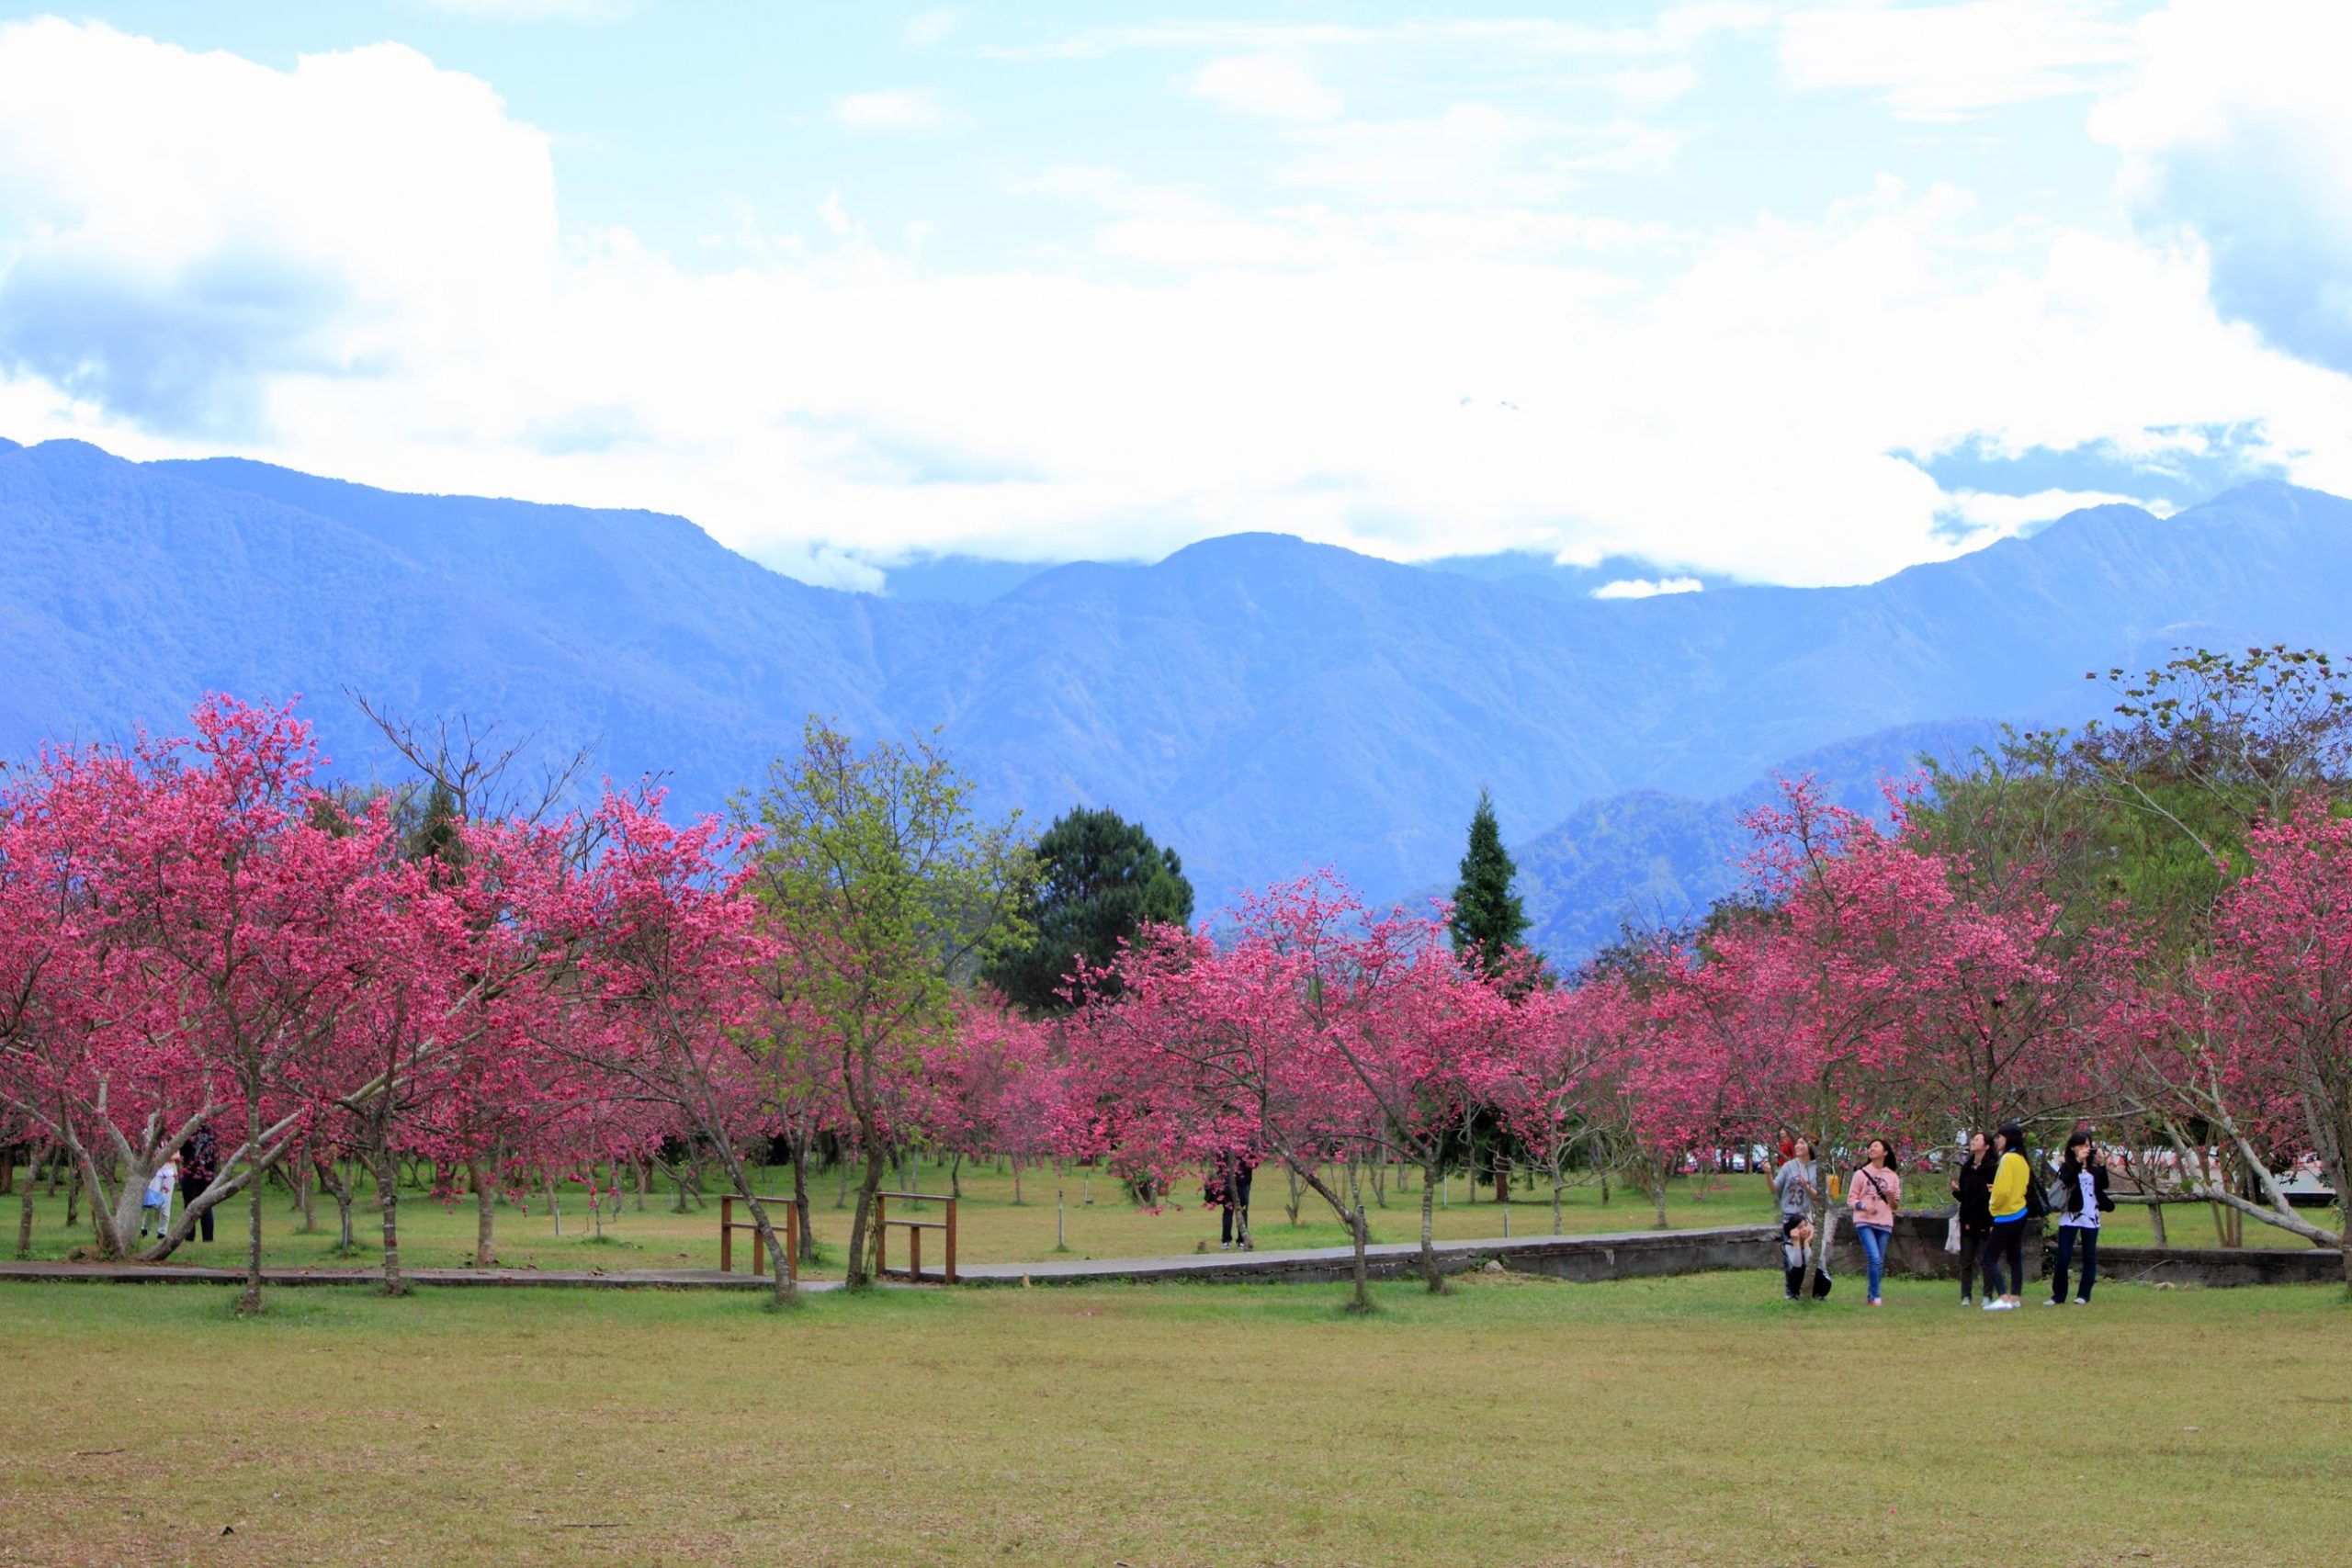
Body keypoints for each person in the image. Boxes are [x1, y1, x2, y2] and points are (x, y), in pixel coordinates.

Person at [2049, 1133, 2110, 1305]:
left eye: (2087, 1145)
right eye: (2081, 1145)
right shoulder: (2067, 1166)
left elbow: (2104, 1185)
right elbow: (2066, 1181)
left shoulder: (2094, 1168)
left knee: (2089, 1256)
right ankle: (2058, 1295)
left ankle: (2084, 1294)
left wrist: (2102, 1165)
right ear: (2072, 1147)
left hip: (2091, 1215)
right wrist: (2077, 1162)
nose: (2085, 1148)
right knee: (2063, 1256)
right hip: (2071, 1214)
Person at [1983, 1121, 2032, 1310]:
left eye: (2000, 1137)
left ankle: (2003, 1296)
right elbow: (2019, 1186)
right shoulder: (2022, 1159)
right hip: (2020, 1211)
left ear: (2008, 1138)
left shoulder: (2008, 1158)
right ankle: (2015, 1297)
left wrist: (1993, 1204)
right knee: (2014, 1257)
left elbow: (2003, 1192)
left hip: (2006, 1214)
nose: (1997, 1140)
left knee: (1989, 1257)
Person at [1847, 1137, 1901, 1306]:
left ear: (1885, 1152)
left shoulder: (1892, 1176)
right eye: (1870, 1147)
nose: (1872, 1149)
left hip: (1884, 1222)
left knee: (1879, 1260)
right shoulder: (1860, 1174)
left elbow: (1894, 1206)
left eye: (1876, 1146)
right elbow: (1850, 1199)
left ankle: (1871, 1295)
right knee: (1874, 1258)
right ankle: (1876, 1296)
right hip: (1864, 1221)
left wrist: (1891, 1197)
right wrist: (1864, 1207)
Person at [1949, 1132, 1995, 1305]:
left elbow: (1992, 1193)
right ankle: (1965, 1296)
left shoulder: (1992, 1168)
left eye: (1977, 1139)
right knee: (1966, 1260)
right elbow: (1965, 1196)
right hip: (1968, 1218)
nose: (1973, 1142)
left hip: (1986, 1219)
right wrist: (1957, 1191)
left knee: (1986, 1259)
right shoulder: (1967, 1168)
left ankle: (1987, 1295)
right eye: (1973, 1139)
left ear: (1986, 1146)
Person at [178, 1122, 220, 1244]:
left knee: (189, 1206)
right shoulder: (211, 1134)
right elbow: (214, 1154)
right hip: (207, 1174)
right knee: (206, 1206)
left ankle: (189, 1237)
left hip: (190, 1172)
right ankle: (208, 1237)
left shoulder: (189, 1133)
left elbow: (183, 1152)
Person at [1210, 1148, 1255, 1251]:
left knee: (1229, 1212)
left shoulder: (1225, 1146)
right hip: (1241, 1183)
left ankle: (1227, 1241)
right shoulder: (1247, 1146)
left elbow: (1219, 1163)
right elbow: (1254, 1163)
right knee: (1241, 1212)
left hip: (1231, 1182)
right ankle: (1240, 1241)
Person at [1772, 1137, 1818, 1228]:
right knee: (1790, 1241)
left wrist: (1806, 1185)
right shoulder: (1789, 1166)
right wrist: (1768, 1173)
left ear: (1811, 1147)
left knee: (1805, 1242)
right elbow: (1775, 1188)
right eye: (1797, 1143)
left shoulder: (1818, 1169)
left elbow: (1819, 1198)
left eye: (1802, 1143)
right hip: (1788, 1216)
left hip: (1808, 1218)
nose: (1797, 1146)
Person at [139, 1156, 176, 1240]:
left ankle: (162, 1232)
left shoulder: (171, 1143)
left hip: (169, 1173)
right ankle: (145, 1228)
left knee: (166, 1203)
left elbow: (176, 1155)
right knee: (152, 1202)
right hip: (156, 1173)